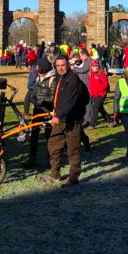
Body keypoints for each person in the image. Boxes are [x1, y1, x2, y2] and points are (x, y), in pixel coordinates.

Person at [43, 55, 88, 186]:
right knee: (53, 145)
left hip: (72, 120)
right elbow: (59, 98)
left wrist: (59, 115)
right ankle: (55, 173)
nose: (60, 68)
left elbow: (70, 100)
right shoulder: (60, 78)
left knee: (73, 149)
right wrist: (53, 110)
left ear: (68, 65)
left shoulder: (73, 79)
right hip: (60, 118)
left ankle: (74, 177)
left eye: (63, 65)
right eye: (58, 66)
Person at [23, 58, 56, 169]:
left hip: (47, 112)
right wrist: (33, 99)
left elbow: (52, 97)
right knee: (34, 135)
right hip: (37, 110)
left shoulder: (52, 79)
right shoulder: (38, 78)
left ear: (43, 68)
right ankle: (32, 159)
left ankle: (51, 160)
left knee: (49, 136)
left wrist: (41, 101)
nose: (36, 68)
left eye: (38, 67)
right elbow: (34, 92)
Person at [85, 60, 112, 128]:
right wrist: (91, 91)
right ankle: (110, 121)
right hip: (94, 94)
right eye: (94, 66)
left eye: (97, 66)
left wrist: (98, 89)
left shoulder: (101, 73)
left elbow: (105, 84)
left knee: (95, 108)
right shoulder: (90, 74)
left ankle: (92, 125)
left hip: (101, 94)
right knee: (100, 108)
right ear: (91, 67)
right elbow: (91, 85)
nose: (96, 67)